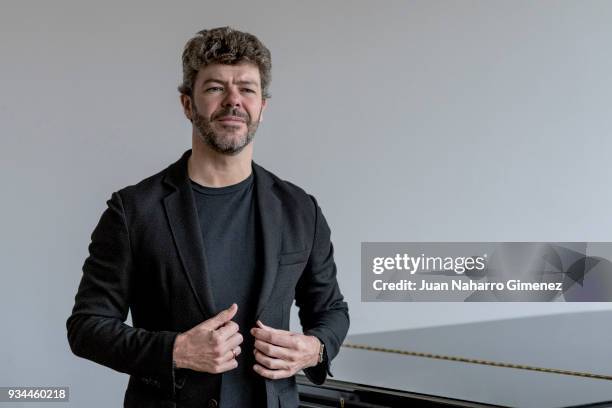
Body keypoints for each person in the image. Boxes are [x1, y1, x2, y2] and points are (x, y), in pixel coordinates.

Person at [66, 27, 349, 408]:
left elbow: (331, 310)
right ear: (187, 104)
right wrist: (176, 350)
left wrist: (314, 349)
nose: (234, 101)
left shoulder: (301, 209)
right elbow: (86, 327)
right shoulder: (132, 210)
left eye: (246, 89)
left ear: (262, 106)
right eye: (215, 88)